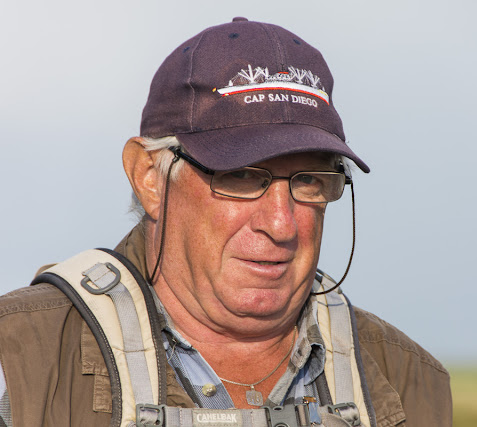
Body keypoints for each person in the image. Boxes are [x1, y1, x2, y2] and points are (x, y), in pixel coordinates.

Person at [0, 18, 451, 427]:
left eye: (310, 179)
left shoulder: (407, 379)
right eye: (239, 175)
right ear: (149, 177)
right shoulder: (20, 360)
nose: (281, 224)